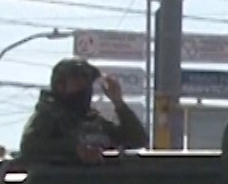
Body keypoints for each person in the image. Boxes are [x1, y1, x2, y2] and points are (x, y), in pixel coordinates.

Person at [18, 58, 147, 165]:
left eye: (87, 82)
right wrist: (74, 149)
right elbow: (29, 146)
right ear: (60, 86)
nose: (84, 88)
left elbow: (138, 141)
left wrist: (118, 103)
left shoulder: (96, 121)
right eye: (77, 82)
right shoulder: (48, 116)